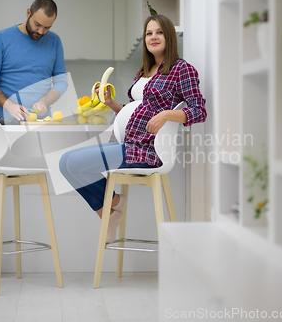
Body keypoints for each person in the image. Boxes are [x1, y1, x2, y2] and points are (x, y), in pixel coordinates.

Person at [59, 14, 207, 243]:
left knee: (74, 163)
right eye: (149, 33)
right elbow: (135, 111)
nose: (153, 37)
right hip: (127, 145)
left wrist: (167, 114)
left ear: (169, 36)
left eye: (159, 32)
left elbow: (199, 110)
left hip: (148, 151)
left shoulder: (182, 69)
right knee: (64, 163)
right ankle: (109, 211)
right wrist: (111, 104)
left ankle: (115, 205)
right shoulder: (144, 71)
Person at [0, 0, 68, 124]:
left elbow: (61, 81)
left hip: (43, 121)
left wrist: (44, 101)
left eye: (47, 27)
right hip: (8, 119)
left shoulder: (54, 41)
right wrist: (9, 105)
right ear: (28, 13)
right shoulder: (1, 38)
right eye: (37, 25)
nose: (40, 32)